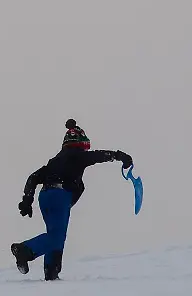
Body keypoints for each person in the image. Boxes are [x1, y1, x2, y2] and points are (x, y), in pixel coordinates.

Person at [10, 119, 133, 281]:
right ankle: (25, 249)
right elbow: (96, 156)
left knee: (55, 234)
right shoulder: (77, 155)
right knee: (56, 237)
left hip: (45, 196)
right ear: (80, 141)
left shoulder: (55, 160)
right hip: (59, 196)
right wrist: (118, 156)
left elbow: (33, 177)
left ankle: (51, 272)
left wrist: (27, 200)